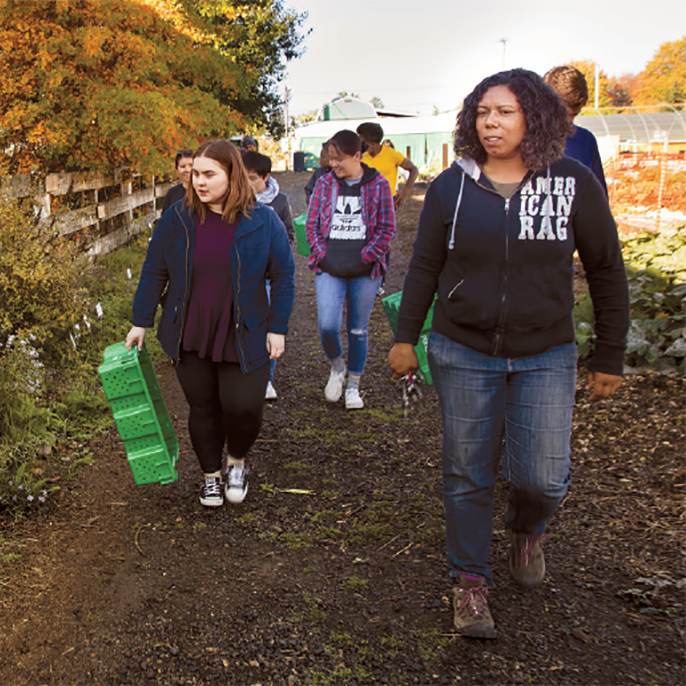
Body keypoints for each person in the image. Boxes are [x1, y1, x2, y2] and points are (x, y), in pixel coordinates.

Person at [388, 69, 629, 639]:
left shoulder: (571, 181)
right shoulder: (452, 185)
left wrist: (610, 353)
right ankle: (469, 583)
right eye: (482, 112)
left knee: (543, 476)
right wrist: (405, 337)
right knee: (467, 471)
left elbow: (606, 268)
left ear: (536, 118)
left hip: (545, 350)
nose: (491, 123)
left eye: (505, 113)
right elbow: (424, 265)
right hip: (463, 348)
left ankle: (528, 528)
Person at [126, 139, 295, 508]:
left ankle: (236, 460)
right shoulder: (179, 217)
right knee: (202, 406)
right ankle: (211, 477)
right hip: (191, 328)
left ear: (232, 175)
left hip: (246, 329)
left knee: (244, 406)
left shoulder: (263, 220)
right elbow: (154, 268)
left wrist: (277, 327)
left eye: (208, 174)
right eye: (195, 174)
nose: (198, 181)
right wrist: (141, 320)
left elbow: (283, 274)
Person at [306, 129, 395, 410]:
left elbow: (387, 228)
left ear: (358, 156)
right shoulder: (324, 184)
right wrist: (322, 254)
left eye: (339, 159)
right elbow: (311, 225)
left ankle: (354, 386)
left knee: (358, 329)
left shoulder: (379, 185)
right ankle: (337, 367)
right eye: (331, 159)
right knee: (327, 325)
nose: (333, 164)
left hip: (365, 270)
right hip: (330, 266)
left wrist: (367, 257)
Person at [242, 150, 295, 400]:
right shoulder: (233, 202)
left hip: (268, 277)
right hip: (245, 276)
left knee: (268, 326)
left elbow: (290, 235)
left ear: (265, 177)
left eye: (252, 178)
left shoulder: (280, 201)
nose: (247, 183)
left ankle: (266, 378)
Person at [544, 65, 608, 196]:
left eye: (573, 115)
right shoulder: (518, 139)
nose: (567, 122)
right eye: (560, 114)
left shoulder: (585, 140)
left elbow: (599, 200)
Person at [356, 122, 418, 209]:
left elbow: (414, 169)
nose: (360, 143)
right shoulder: (361, 158)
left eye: (362, 139)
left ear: (370, 140)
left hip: (388, 201)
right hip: (367, 202)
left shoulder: (391, 154)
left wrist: (405, 191)